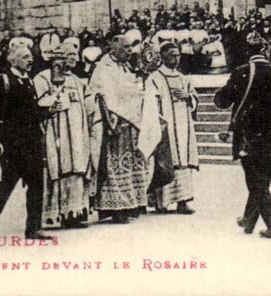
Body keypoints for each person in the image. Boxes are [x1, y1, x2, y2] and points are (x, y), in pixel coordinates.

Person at [214, 50, 271, 239]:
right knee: (261, 180)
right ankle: (248, 220)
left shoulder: (241, 72)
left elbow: (222, 101)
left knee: (255, 183)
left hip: (250, 136)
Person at [0, 37, 48, 240]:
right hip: (12, 145)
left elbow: (31, 113)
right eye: (25, 57)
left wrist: (48, 110)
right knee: (7, 184)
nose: (30, 60)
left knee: (36, 185)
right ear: (13, 60)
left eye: (31, 57)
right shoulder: (3, 81)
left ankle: (33, 228)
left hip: (32, 143)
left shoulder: (28, 80)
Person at [85, 32, 152, 223]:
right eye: (125, 47)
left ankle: (131, 204)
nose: (129, 51)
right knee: (114, 166)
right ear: (114, 47)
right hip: (114, 123)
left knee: (131, 165)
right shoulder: (104, 67)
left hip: (131, 122)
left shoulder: (126, 66)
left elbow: (133, 89)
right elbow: (106, 95)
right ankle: (116, 208)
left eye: (131, 47)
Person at [33, 35, 91, 230]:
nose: (75, 58)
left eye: (76, 54)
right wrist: (56, 100)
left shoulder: (77, 80)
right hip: (55, 133)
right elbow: (38, 103)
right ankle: (55, 214)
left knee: (76, 169)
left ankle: (74, 213)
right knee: (58, 169)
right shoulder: (43, 77)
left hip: (77, 134)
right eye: (70, 54)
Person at [146, 42, 199, 214]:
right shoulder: (155, 78)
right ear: (162, 56)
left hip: (184, 126)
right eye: (172, 55)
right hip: (165, 125)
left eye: (178, 55)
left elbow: (194, 97)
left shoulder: (183, 78)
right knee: (166, 160)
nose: (176, 59)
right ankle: (161, 202)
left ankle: (183, 201)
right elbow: (150, 102)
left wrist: (188, 97)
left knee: (183, 161)